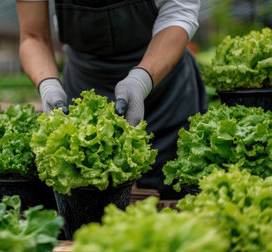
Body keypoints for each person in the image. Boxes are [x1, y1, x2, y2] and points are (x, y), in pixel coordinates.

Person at [16, 0, 207, 199]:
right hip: (85, 79)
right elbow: (33, 36)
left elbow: (177, 15)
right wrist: (47, 83)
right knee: (88, 202)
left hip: (162, 87)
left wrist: (142, 80)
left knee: (169, 193)